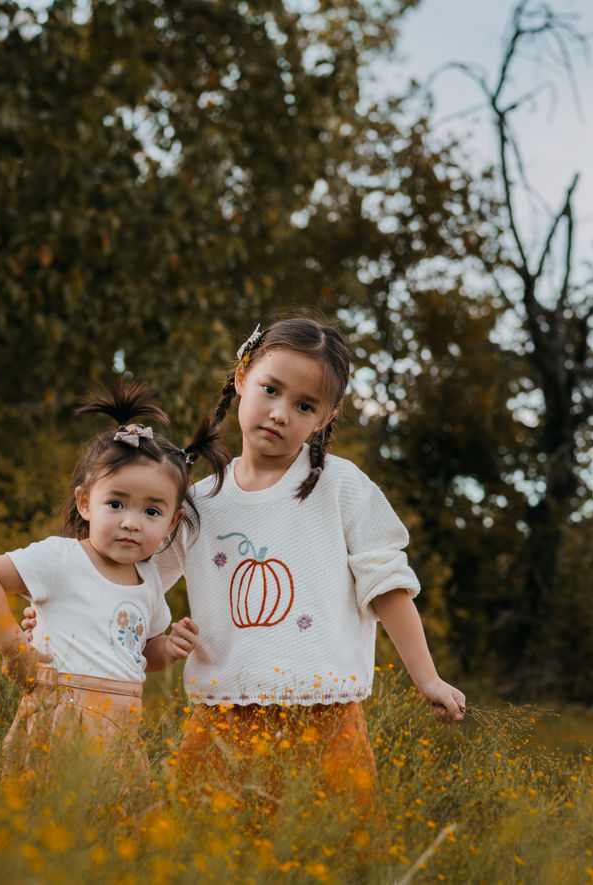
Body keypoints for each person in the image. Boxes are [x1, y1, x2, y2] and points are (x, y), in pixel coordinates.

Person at [154, 317, 466, 822]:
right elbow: (138, 581)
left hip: (326, 718)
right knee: (200, 844)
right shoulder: (197, 502)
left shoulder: (340, 487)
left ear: (325, 417)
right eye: (271, 389)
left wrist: (427, 678)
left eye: (304, 406)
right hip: (222, 718)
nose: (280, 413)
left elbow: (386, 584)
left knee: (335, 846)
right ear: (242, 377)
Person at [0, 380, 227, 780]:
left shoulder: (149, 580)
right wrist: (15, 649)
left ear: (172, 523)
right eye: (116, 503)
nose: (131, 522)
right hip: (55, 721)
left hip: (119, 734)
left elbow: (142, 655)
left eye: (152, 512)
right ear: (86, 502)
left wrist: (169, 648)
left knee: (108, 815)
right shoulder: (62, 559)